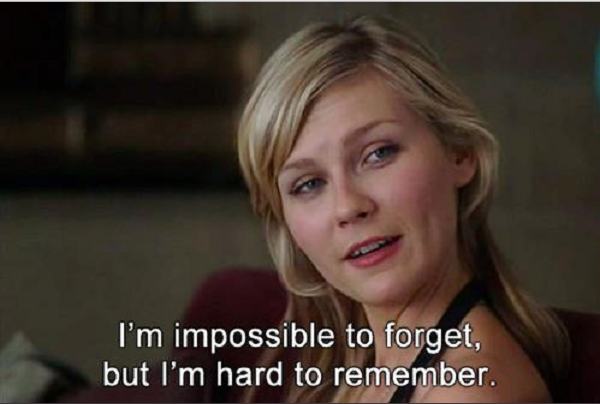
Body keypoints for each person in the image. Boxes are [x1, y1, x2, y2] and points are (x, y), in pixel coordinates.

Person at [236, 16, 569, 403]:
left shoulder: (469, 392)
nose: (348, 206)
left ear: (459, 153)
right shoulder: (360, 374)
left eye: (379, 153)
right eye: (308, 184)